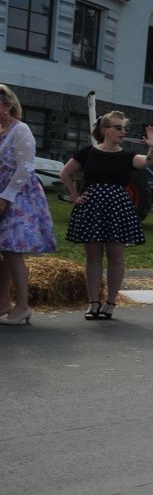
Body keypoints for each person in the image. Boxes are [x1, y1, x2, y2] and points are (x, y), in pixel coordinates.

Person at [60, 111, 153, 320]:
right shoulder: (88, 152)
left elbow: (147, 161)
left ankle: (111, 302)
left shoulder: (127, 155)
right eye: (118, 127)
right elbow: (65, 173)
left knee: (116, 257)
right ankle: (93, 302)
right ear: (105, 130)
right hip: (92, 206)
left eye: (124, 128)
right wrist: (74, 196)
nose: (123, 132)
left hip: (117, 207)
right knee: (93, 257)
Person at [0, 84, 56, 326]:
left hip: (18, 194)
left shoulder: (20, 130)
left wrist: (5, 197)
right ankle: (3, 301)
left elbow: (24, 168)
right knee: (3, 251)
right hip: (3, 190)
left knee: (12, 249)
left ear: (6, 106)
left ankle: (22, 305)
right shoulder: (1, 131)